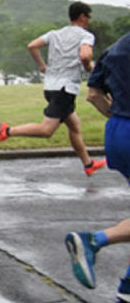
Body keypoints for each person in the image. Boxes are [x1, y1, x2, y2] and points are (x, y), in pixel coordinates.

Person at [0, 1, 107, 176]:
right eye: (89, 17)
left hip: (51, 87)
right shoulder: (86, 36)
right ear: (82, 17)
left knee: (74, 126)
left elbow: (32, 45)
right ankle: (6, 131)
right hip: (64, 89)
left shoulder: (54, 34)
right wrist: (89, 67)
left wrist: (42, 65)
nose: (89, 20)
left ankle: (89, 165)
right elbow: (85, 54)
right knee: (46, 130)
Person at [64, 32, 130, 302]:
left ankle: (126, 290)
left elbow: (93, 95)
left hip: (117, 131)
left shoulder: (117, 47)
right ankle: (93, 241)